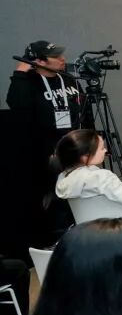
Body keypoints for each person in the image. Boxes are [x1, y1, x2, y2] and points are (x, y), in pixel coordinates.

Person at [6, 40, 84, 246]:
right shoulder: (28, 82)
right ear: (39, 61)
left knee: (78, 192)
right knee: (53, 199)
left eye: (62, 55)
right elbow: (17, 106)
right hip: (45, 152)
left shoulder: (69, 80)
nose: (62, 59)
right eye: (56, 57)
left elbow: (83, 111)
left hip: (74, 148)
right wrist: (20, 73)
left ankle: (79, 232)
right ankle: (55, 240)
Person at [54, 129, 122, 222]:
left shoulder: (64, 177)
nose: (105, 150)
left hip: (91, 228)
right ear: (84, 156)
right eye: (101, 148)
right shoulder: (100, 177)